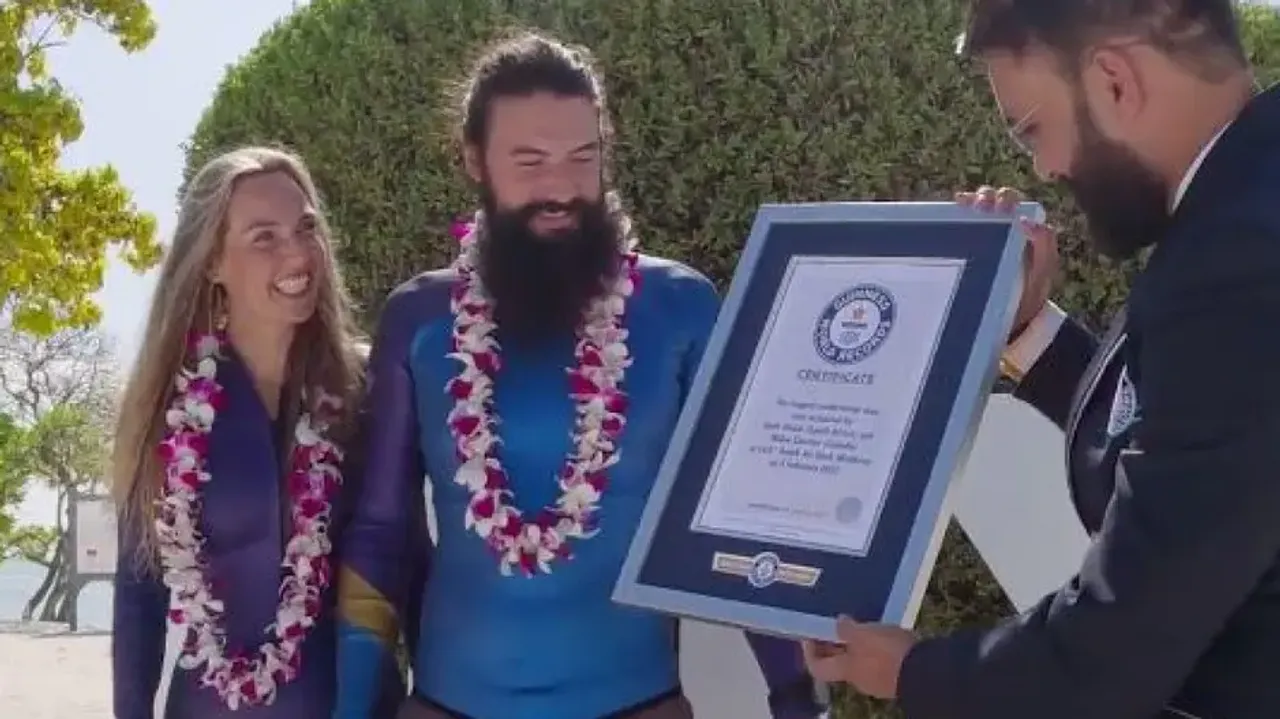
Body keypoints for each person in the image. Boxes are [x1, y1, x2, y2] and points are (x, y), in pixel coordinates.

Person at [802, 1, 1280, 717]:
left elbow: (1120, 648)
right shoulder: (1245, 206)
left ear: (1114, 79)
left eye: (1034, 130)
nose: (1047, 167)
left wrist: (913, 669)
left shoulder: (1234, 264)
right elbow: (1203, 443)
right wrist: (1029, 329)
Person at [333, 32, 825, 719]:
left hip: (639, 705)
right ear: (474, 159)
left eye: (582, 157)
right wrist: (350, 709)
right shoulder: (418, 318)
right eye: (529, 160)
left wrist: (797, 696)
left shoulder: (679, 308)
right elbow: (382, 533)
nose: (561, 187)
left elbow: (738, 521)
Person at [110, 147, 400, 717]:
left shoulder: (366, 388)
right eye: (263, 236)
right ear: (212, 262)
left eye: (307, 227)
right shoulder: (167, 407)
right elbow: (139, 600)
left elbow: (405, 558)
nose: (297, 252)